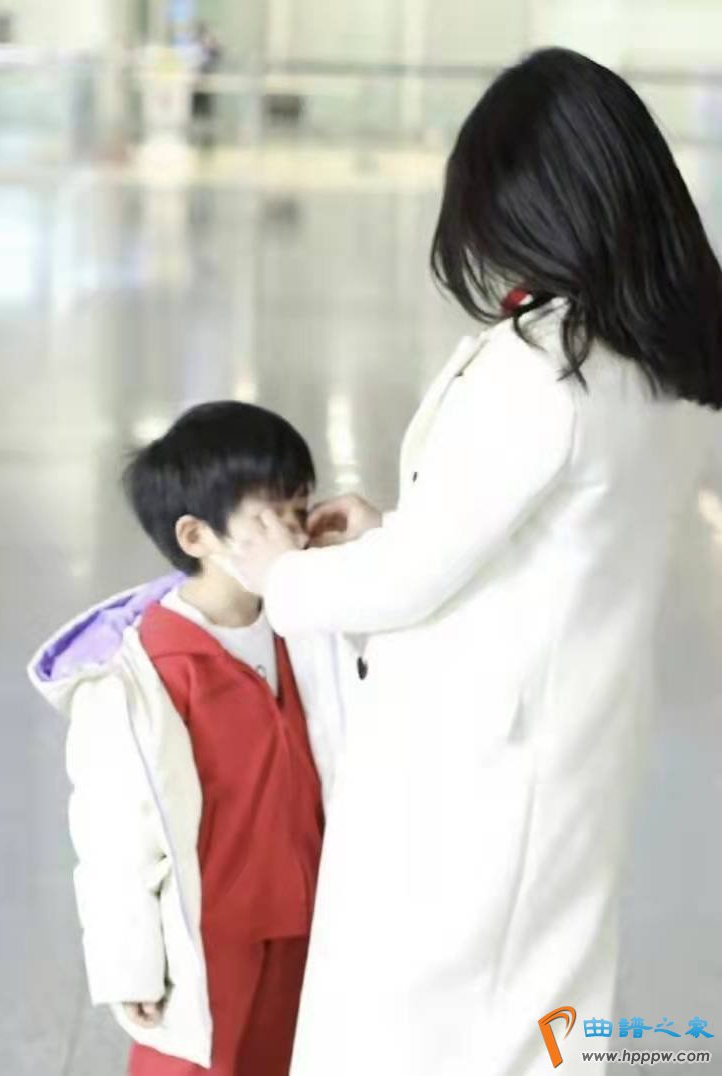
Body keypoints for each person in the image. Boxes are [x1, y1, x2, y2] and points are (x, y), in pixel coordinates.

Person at [220, 49, 722, 1076]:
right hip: (569, 740)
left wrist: (281, 573)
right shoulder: (657, 367)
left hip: (475, 763)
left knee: (423, 1023)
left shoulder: (545, 369)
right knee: (539, 1008)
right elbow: (546, 538)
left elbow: (410, 583)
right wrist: (395, 526)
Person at [27, 402, 347, 1076]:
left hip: (308, 919)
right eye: (271, 519)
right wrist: (130, 964)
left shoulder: (305, 630)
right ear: (197, 535)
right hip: (208, 938)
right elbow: (112, 835)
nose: (295, 535)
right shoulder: (141, 674)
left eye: (301, 508)